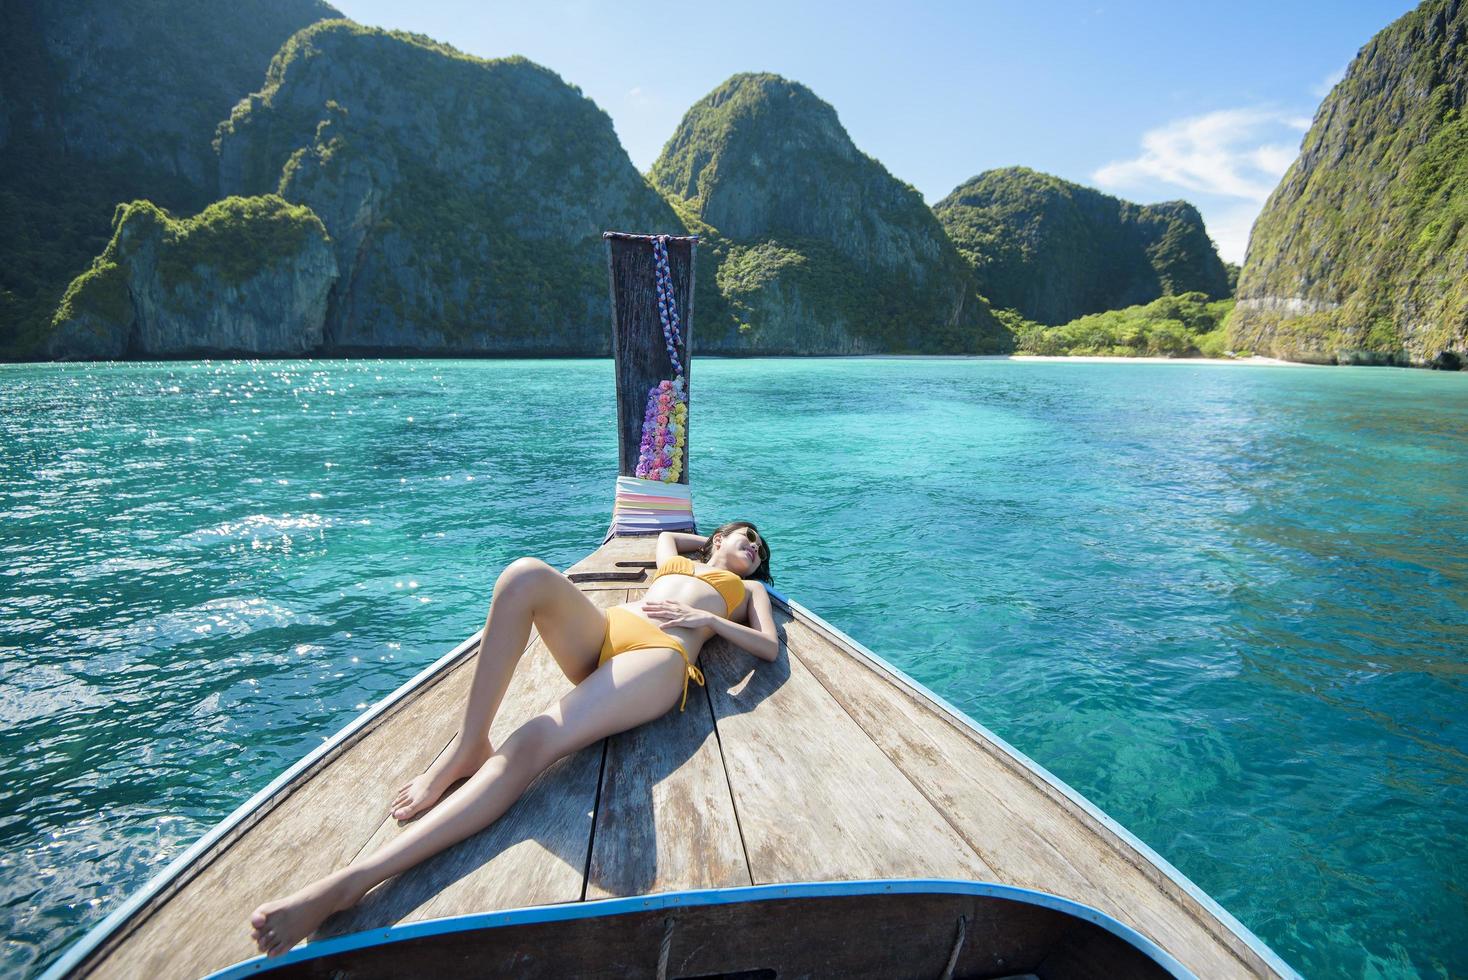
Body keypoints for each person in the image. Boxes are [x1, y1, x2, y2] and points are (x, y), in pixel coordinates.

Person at [248, 522, 777, 958]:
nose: (752, 549)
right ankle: (468, 746)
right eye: (745, 537)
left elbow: (768, 649)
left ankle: (354, 881)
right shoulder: (675, 557)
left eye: (757, 549)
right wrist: (709, 538)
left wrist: (703, 618)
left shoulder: (748, 591)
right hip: (611, 630)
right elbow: (670, 534)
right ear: (719, 538)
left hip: (659, 658)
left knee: (530, 742)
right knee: (524, 576)